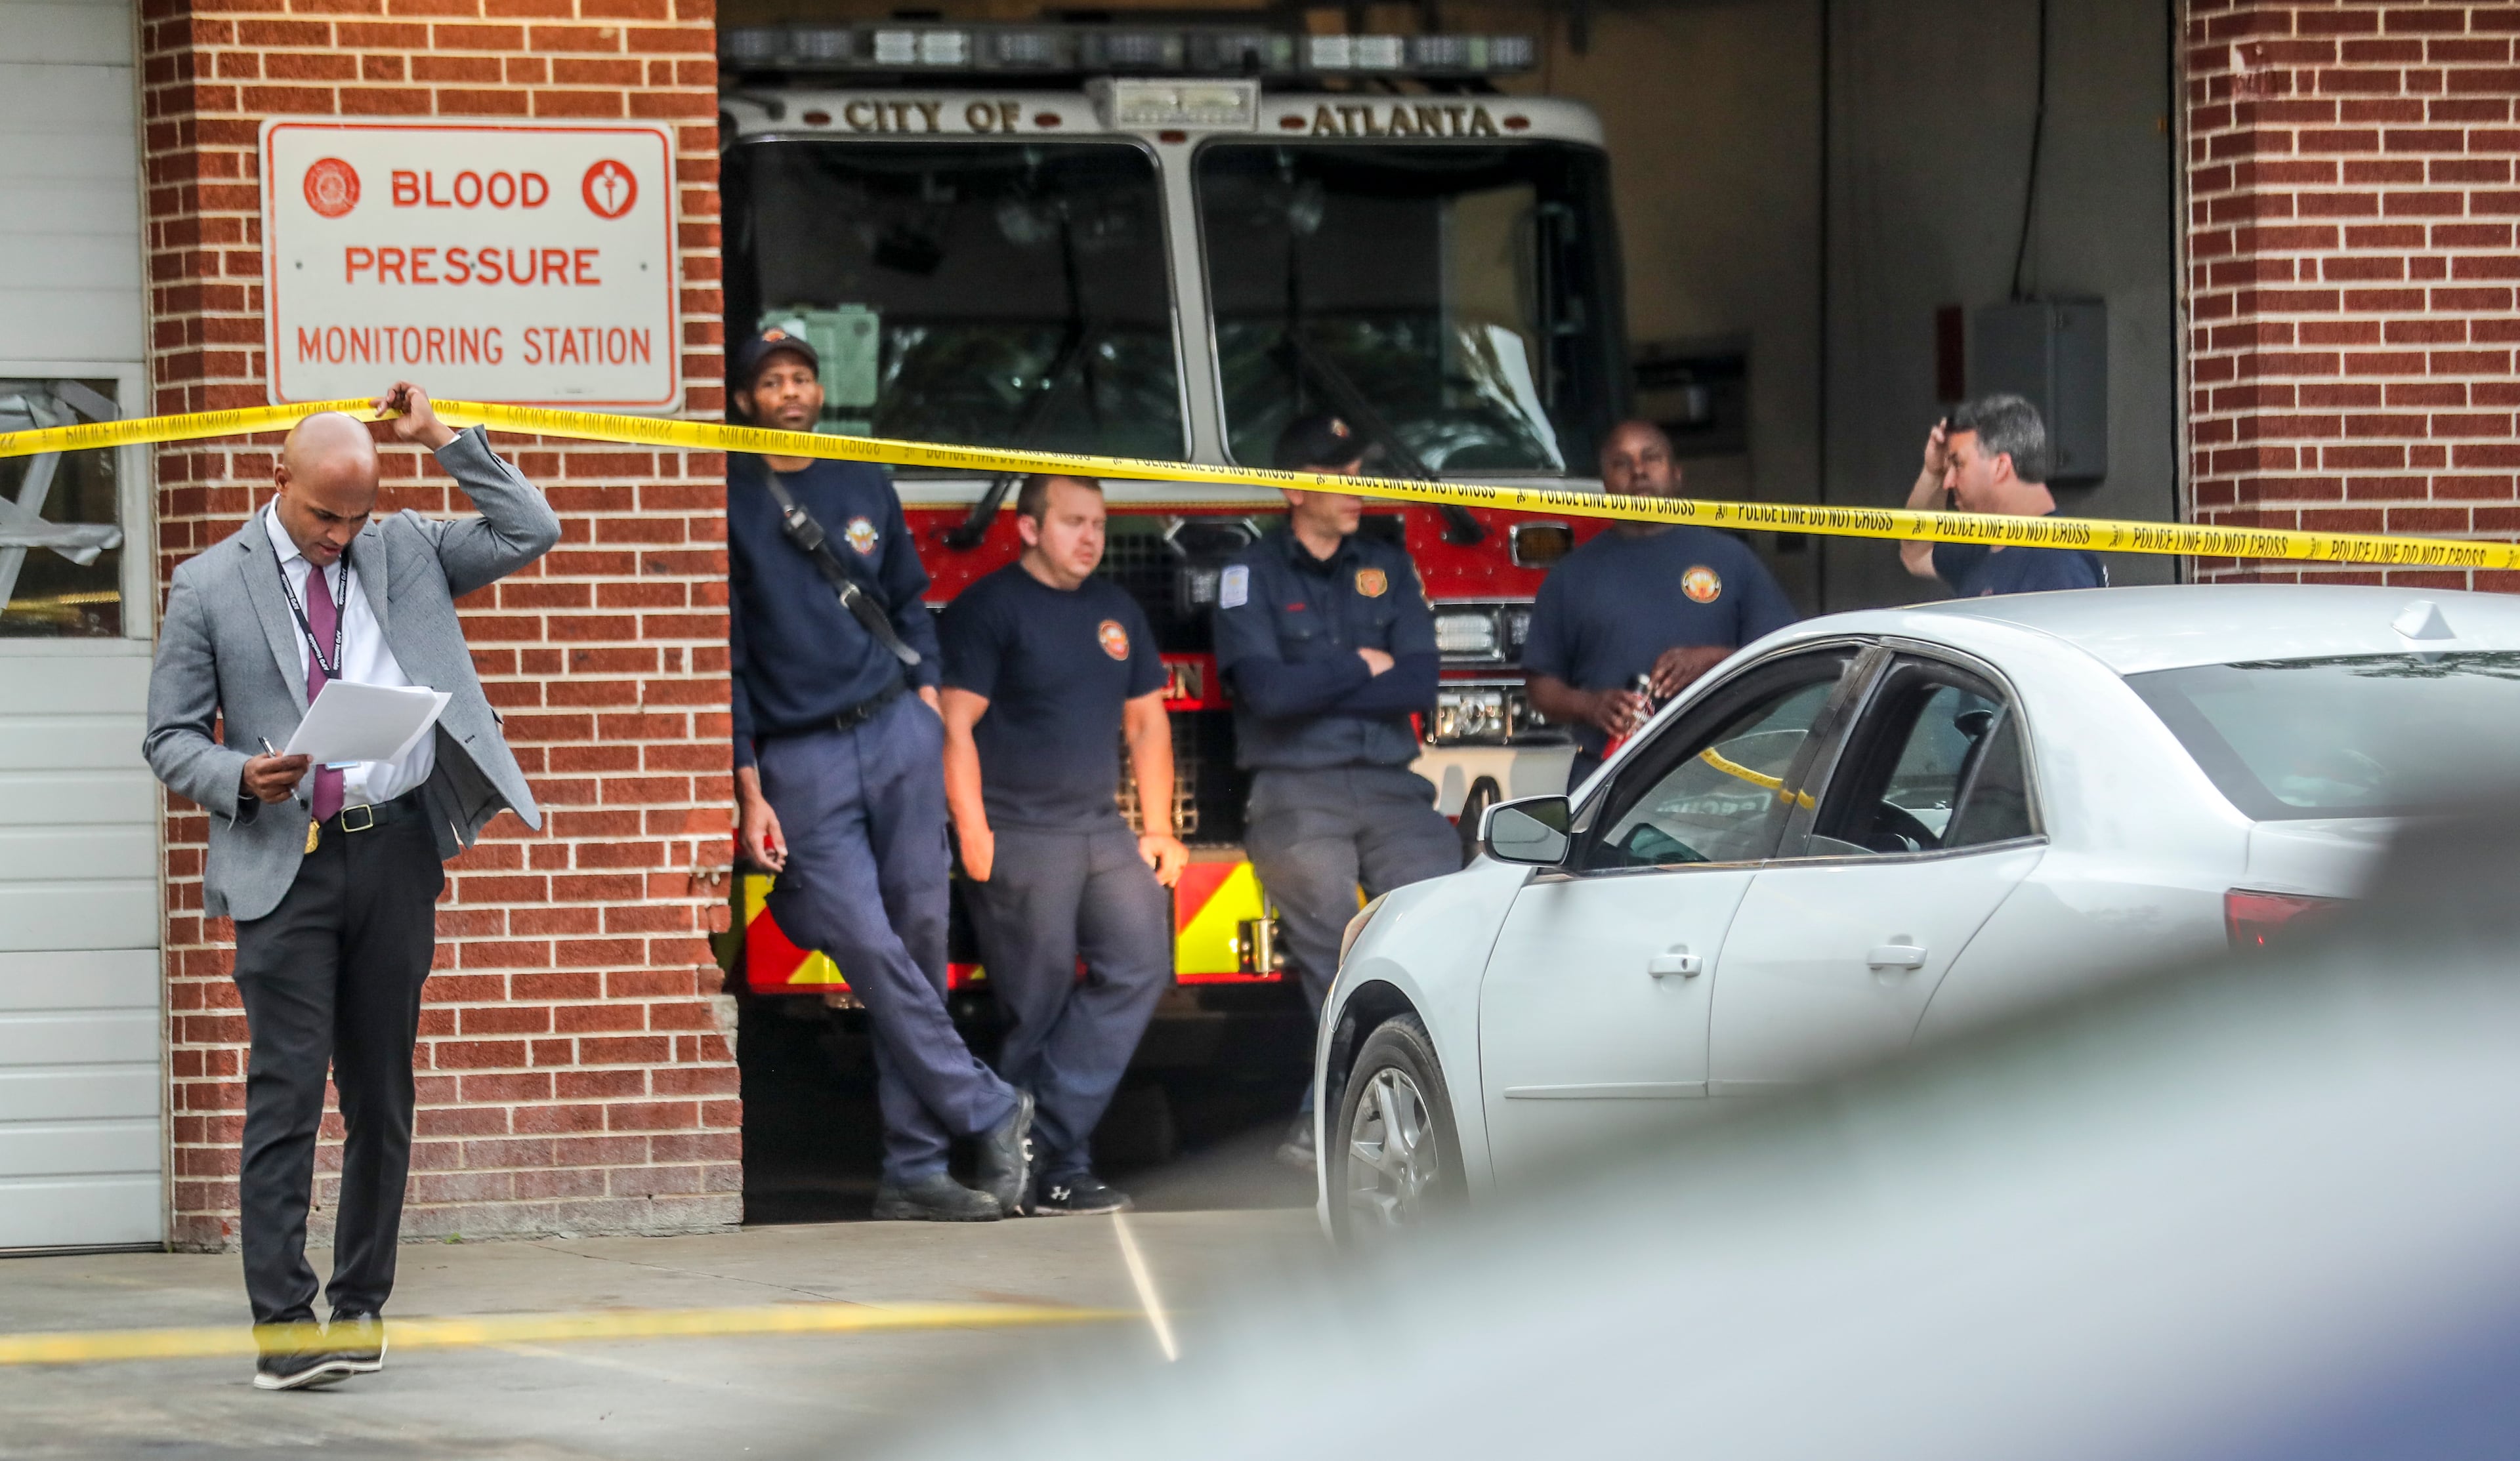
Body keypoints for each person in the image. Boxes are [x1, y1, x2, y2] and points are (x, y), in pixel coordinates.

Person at [142, 383, 560, 1391]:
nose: (339, 536)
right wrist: (239, 774)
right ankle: (283, 1325)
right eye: (324, 515)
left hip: (395, 850)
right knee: (284, 1095)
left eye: (355, 517)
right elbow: (166, 738)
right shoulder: (208, 585)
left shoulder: (405, 546)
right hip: (283, 858)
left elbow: (530, 526)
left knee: (382, 1091)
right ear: (277, 480)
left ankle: (361, 1305)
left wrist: (443, 438)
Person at [724, 327, 1036, 1224]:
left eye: (802, 378)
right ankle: (987, 1105)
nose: (791, 392)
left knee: (921, 942)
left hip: (897, 728)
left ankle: (915, 1169)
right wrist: (750, 785)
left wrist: (930, 699)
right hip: (801, 754)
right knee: (866, 939)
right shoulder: (732, 496)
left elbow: (908, 595)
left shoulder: (864, 480)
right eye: (773, 381)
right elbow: (732, 657)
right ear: (746, 400)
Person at [1213, 413, 1463, 1173]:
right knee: (1335, 941)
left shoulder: (1388, 564)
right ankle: (1345, 1118)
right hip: (1297, 792)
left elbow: (1421, 680)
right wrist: (1364, 666)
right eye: (1341, 473)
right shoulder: (1248, 574)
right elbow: (1265, 694)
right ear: (1294, 487)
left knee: (1442, 917)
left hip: (1392, 789)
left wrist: (1325, 682)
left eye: (1359, 470)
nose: (1359, 486)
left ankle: (1326, 1115)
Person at [938, 474, 1185, 1215]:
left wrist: (1160, 826)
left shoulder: (1116, 613)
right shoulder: (991, 607)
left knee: (1142, 964)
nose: (1091, 538)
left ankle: (1034, 1144)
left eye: (1099, 525)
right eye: (1074, 522)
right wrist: (972, 828)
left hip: (1100, 829)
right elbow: (953, 725)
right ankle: (1055, 1169)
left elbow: (1147, 724)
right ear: (1030, 529)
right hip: (1019, 832)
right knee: (1035, 1006)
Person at [1523, 420, 1798, 791]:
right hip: (1609, 773)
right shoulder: (1571, 575)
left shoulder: (1731, 559)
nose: (1638, 471)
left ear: (1676, 474)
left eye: (1650, 458)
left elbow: (1787, 659)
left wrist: (1714, 660)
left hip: (1723, 775)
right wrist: (1593, 706)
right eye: (1622, 463)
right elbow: (1542, 688)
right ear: (1605, 485)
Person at [1902, 393, 2107, 597]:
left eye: (1958, 464)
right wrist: (1932, 474)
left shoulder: (2060, 567)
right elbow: (1915, 553)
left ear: (2000, 467)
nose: (1948, 482)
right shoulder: (1986, 541)